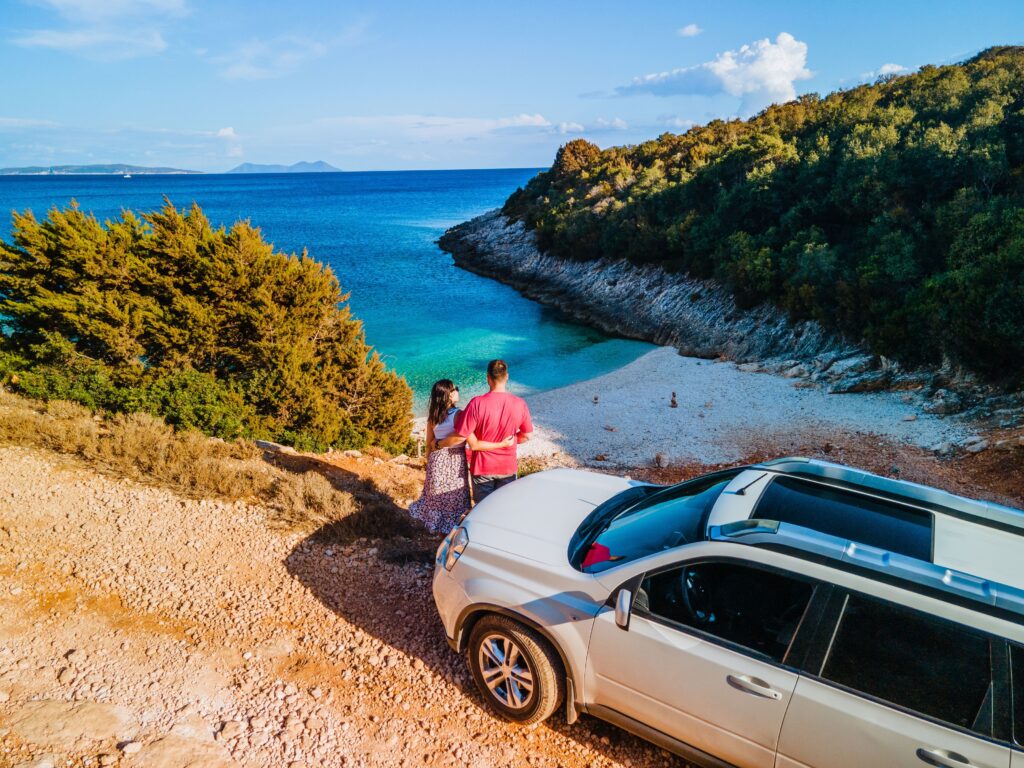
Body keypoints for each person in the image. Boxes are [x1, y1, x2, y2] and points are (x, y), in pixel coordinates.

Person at [408, 379, 513, 534]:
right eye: (455, 389)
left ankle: (437, 529)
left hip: (436, 460)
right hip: (453, 459)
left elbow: (428, 443)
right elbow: (462, 437)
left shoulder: (433, 416)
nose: (458, 391)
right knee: (454, 496)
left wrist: (429, 462)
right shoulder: (459, 414)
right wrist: (500, 443)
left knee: (437, 497)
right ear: (449, 396)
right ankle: (452, 533)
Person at [455, 359, 533, 504]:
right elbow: (527, 435)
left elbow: (465, 434)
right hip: (507, 466)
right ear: (507, 376)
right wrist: (509, 441)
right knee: (504, 508)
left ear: (488, 378)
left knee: (483, 509)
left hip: (482, 467)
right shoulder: (519, 403)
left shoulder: (476, 403)